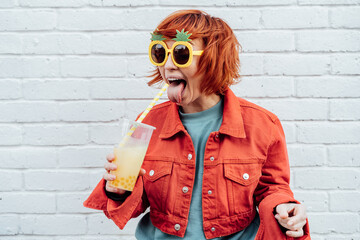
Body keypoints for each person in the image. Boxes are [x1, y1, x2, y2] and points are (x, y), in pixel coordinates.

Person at [84, 9, 310, 240]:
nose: (169, 66)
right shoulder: (148, 123)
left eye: (181, 53)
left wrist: (284, 207)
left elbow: (272, 189)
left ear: (214, 59)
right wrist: (120, 191)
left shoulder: (263, 124)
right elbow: (135, 206)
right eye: (160, 53)